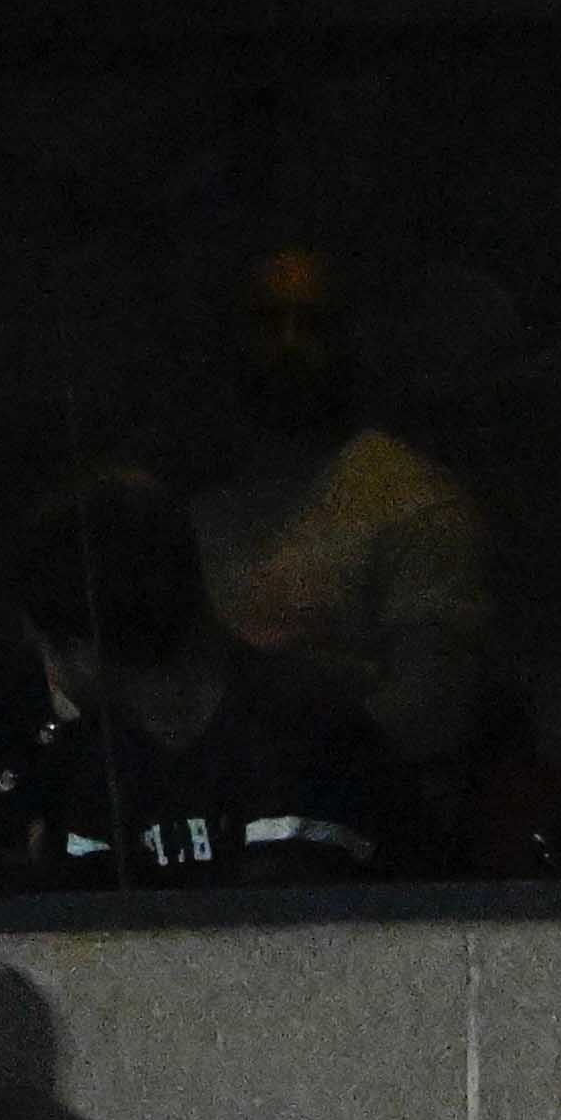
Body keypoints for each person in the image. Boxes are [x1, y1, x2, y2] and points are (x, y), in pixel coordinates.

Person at [188, 248, 496, 786]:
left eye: (311, 325)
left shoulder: (413, 503)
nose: (287, 347)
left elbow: (428, 714)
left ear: (351, 340)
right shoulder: (203, 513)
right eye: (267, 323)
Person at [0, 465, 391, 879]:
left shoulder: (317, 741)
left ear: (81, 649)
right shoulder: (77, 776)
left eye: (46, 647)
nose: (50, 675)